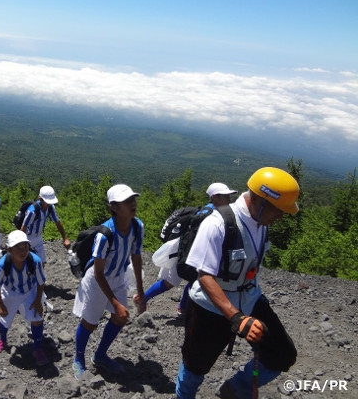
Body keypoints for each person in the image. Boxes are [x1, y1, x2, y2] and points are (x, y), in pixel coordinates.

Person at [175, 167, 300, 399]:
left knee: (282, 354)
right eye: (279, 210)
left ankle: (234, 389)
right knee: (195, 366)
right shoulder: (217, 224)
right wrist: (237, 318)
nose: (281, 216)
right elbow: (204, 276)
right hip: (209, 308)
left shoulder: (262, 222)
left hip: (250, 299)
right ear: (260, 200)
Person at [72, 184, 146, 379]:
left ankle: (100, 355)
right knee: (90, 323)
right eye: (126, 201)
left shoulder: (137, 227)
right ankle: (79, 358)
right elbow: (98, 273)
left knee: (121, 317)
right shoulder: (104, 235)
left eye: (133, 199)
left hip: (118, 278)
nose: (132, 204)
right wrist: (114, 302)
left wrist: (141, 291)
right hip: (98, 280)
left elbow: (136, 257)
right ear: (113, 207)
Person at [143, 183, 238, 314]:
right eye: (225, 196)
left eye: (229, 196)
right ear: (215, 197)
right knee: (172, 282)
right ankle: (145, 299)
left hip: (186, 252)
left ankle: (182, 307)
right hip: (187, 253)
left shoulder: (206, 211)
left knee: (196, 280)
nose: (229, 199)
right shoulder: (212, 214)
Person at [0, 230, 49, 367]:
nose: (23, 251)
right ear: (9, 250)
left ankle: (38, 348)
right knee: (5, 317)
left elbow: (41, 282)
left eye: (25, 247)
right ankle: (2, 340)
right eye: (18, 248)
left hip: (30, 290)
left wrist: (38, 301)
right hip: (10, 291)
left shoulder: (35, 261)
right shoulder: (2, 265)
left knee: (37, 317)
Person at [19, 185, 70, 265]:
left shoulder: (50, 208)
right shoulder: (32, 211)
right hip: (28, 237)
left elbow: (58, 222)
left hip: (38, 237)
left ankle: (37, 276)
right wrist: (21, 245)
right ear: (40, 199)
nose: (49, 204)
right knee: (26, 263)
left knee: (41, 263)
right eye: (47, 202)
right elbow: (23, 228)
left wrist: (65, 238)